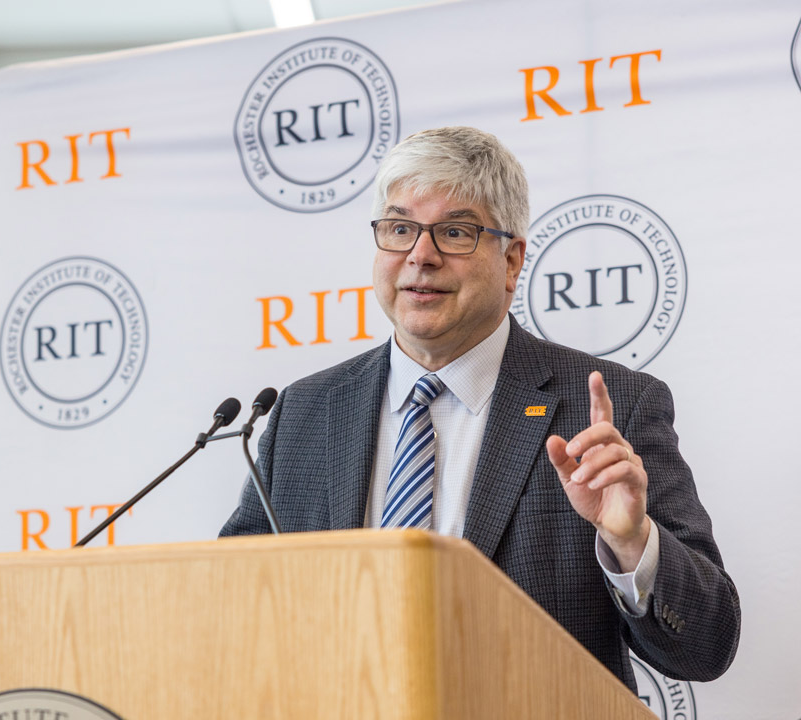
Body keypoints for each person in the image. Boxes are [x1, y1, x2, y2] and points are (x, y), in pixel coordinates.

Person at [220, 127, 740, 691]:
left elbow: (706, 646)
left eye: (455, 233)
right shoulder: (306, 413)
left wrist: (631, 541)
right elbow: (232, 607)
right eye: (399, 229)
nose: (421, 256)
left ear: (512, 260)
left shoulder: (613, 409)